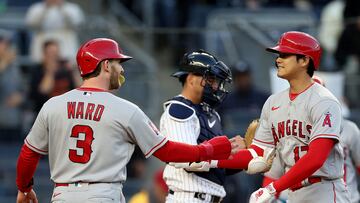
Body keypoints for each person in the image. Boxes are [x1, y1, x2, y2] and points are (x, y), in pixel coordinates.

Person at [15, 38, 235, 203]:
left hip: (62, 194)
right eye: (118, 63)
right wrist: (206, 150)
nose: (121, 69)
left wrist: (24, 189)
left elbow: (28, 154)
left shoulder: (53, 104)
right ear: (106, 65)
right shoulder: (125, 109)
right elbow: (166, 151)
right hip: (103, 194)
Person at [175, 31, 350, 203]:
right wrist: (210, 161)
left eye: (285, 54)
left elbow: (316, 158)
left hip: (324, 190)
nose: (278, 59)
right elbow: (256, 154)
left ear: (304, 61)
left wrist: (273, 188)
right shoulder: (273, 102)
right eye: (278, 54)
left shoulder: (324, 101)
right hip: (294, 191)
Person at [160, 50, 245, 203]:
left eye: (217, 81)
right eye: (211, 79)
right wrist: (225, 151)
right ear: (191, 78)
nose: (215, 85)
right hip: (187, 197)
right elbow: (185, 160)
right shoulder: (179, 109)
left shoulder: (212, 114)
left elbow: (218, 168)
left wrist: (245, 157)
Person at [262, 76, 360, 203]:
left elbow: (316, 159)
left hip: (337, 195)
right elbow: (272, 176)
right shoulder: (286, 131)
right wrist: (267, 195)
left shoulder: (348, 128)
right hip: (296, 197)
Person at [28, 39, 80, 114]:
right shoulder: (37, 69)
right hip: (46, 113)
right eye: (51, 53)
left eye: (56, 52)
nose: (55, 56)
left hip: (67, 112)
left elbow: (79, 87)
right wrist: (50, 72)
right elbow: (43, 91)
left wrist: (74, 71)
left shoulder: (65, 67)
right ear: (44, 54)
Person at [0, 29, 24, 142]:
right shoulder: (6, 64)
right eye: (2, 43)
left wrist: (21, 97)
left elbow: (23, 89)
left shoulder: (14, 66)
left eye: (7, 44)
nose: (5, 47)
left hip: (14, 121)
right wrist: (4, 62)